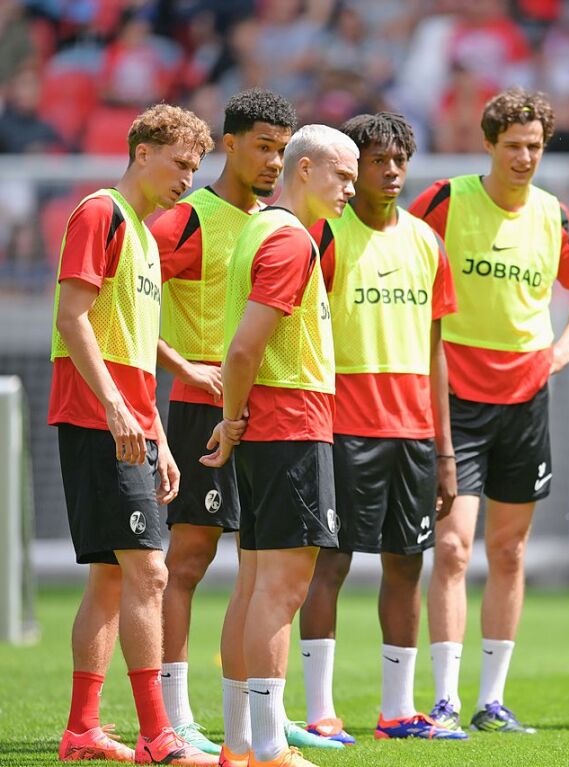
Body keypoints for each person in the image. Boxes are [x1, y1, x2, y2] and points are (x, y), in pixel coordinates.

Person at [410, 87, 569, 734]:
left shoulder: (553, 213)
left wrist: (565, 346)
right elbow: (400, 264)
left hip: (525, 398)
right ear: (487, 144)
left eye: (534, 146)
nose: (523, 157)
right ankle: (444, 699)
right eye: (512, 145)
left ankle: (491, 698)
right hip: (453, 396)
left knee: (508, 552)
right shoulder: (444, 201)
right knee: (454, 547)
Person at [50, 104, 217, 765]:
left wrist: (158, 435)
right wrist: (120, 409)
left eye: (195, 169)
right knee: (150, 571)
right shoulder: (101, 212)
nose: (187, 178)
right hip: (97, 418)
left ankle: (82, 729)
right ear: (142, 151)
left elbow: (137, 339)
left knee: (112, 581)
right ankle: (158, 737)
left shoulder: (146, 239)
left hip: (127, 421)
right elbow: (72, 317)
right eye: (179, 163)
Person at [297, 112, 465, 742]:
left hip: (413, 435)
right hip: (342, 427)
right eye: (377, 161)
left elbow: (436, 350)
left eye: (400, 160)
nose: (391, 171)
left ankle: (398, 711)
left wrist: (444, 450)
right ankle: (320, 712)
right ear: (352, 168)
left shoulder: (426, 242)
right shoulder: (325, 238)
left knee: (406, 564)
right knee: (330, 565)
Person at [201, 124, 359, 767]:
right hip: (289, 422)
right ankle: (268, 746)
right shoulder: (291, 240)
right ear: (306, 169)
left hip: (274, 423)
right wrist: (232, 418)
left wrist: (236, 418)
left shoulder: (262, 229)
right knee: (283, 589)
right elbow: (243, 347)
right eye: (342, 174)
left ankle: (240, 743)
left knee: (254, 584)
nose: (351, 187)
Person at [151, 87, 298, 756]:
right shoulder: (185, 221)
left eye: (282, 150)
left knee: (263, 566)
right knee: (186, 559)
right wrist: (185, 365)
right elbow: (120, 301)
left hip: (267, 407)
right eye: (263, 147)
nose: (273, 161)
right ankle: (174, 714)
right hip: (200, 406)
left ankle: (259, 717)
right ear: (230, 144)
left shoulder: (278, 223)